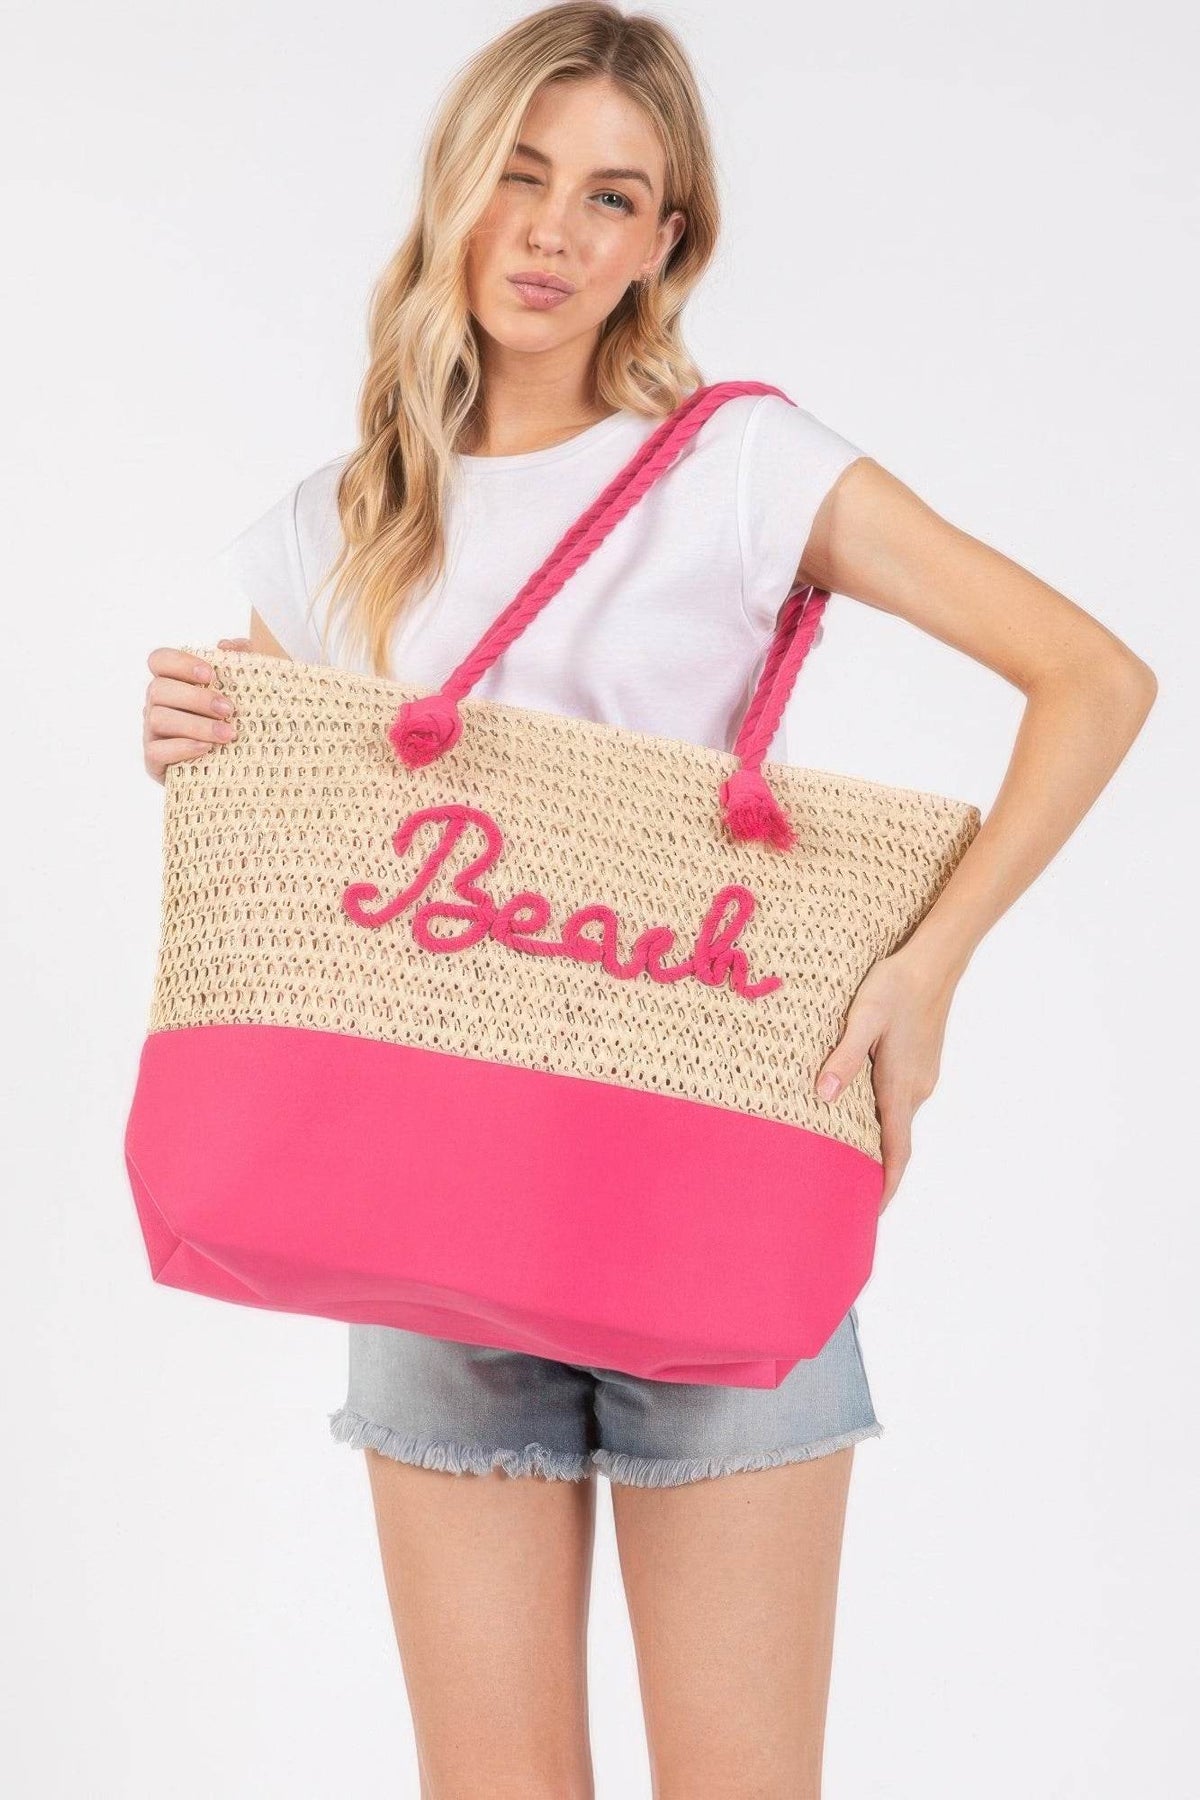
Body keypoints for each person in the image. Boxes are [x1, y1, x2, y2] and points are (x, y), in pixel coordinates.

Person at [138, 6, 1157, 1795]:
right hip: (432, 1235)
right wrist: (199, 743)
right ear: (453, 188)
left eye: (612, 198)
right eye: (520, 176)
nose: (552, 232)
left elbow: (1094, 677)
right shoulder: (333, 524)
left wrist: (928, 970)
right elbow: (320, 868)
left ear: (665, 243)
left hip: (707, 1182)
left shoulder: (741, 469)